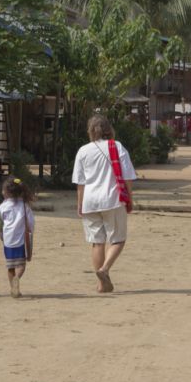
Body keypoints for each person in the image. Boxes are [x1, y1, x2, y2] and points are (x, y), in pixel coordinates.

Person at [72, 114, 136, 293]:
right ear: (109, 129)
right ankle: (104, 269)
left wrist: (80, 204)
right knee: (118, 239)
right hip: (113, 200)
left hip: (90, 201)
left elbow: (80, 182)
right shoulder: (117, 147)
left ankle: (101, 284)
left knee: (97, 242)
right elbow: (128, 177)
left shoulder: (83, 151)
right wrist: (129, 198)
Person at [0, 176, 35, 298]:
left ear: (7, 192)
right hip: (21, 241)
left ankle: (13, 288)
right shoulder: (24, 206)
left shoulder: (3, 206)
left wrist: (1, 234)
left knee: (10, 267)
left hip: (8, 240)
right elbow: (30, 223)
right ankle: (17, 279)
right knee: (22, 265)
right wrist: (31, 231)